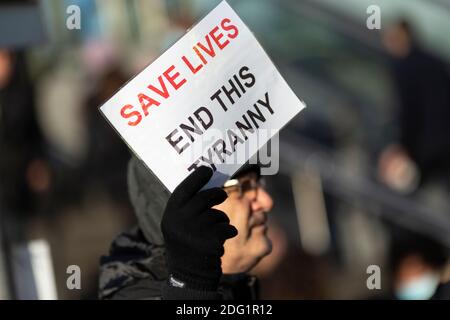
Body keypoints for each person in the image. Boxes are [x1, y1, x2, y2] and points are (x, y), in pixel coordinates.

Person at [99, 156, 273, 299]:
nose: (266, 202)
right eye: (244, 187)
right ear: (184, 207)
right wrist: (192, 289)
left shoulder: (236, 288)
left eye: (259, 183)